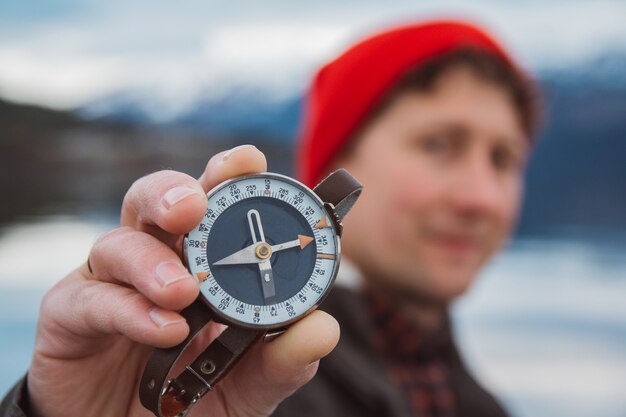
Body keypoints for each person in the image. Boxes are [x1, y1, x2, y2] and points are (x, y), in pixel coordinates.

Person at [0, 19, 539, 417]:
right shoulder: (242, 393)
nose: (481, 197)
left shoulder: (480, 404)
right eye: (439, 143)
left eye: (504, 158)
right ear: (334, 171)